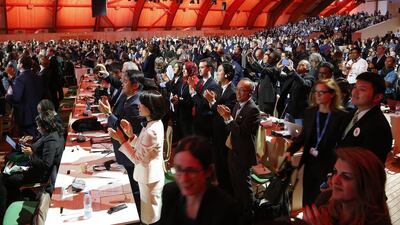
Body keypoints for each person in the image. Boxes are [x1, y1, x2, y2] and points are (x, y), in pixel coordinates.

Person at [285, 79, 348, 206]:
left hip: (328, 165)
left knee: (323, 201)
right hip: (309, 162)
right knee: (307, 198)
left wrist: (334, 171)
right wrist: (290, 151)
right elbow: (303, 137)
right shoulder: (310, 112)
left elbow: (342, 146)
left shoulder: (342, 116)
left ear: (332, 94)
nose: (317, 95)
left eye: (322, 92)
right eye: (316, 92)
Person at [109, 90, 166, 225]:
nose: (138, 106)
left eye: (142, 104)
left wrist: (121, 140)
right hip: (151, 175)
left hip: (149, 178)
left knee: (150, 217)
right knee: (150, 212)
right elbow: (143, 148)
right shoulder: (154, 123)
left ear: (150, 108)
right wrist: (131, 136)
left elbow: (137, 158)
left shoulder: (151, 130)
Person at [160, 136, 240, 225]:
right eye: (178, 169)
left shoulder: (225, 208)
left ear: (208, 171)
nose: (183, 179)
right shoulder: (170, 192)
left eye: (191, 171)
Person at [303, 147, 392, 225]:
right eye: (335, 172)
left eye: (346, 177)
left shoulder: (377, 221)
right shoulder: (325, 198)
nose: (335, 180)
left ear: (367, 186)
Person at [99, 69, 144, 211]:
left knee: (134, 184)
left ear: (135, 85)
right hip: (125, 149)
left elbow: (123, 131)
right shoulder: (129, 97)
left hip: (130, 152)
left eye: (125, 82)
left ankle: (138, 213)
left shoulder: (134, 105)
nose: (122, 84)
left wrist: (109, 113)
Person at [217, 78, 260, 225]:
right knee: (235, 183)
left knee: (244, 186)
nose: (238, 92)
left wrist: (228, 118)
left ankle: (249, 214)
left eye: (242, 90)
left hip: (243, 153)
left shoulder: (253, 110)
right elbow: (232, 129)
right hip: (233, 150)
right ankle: (240, 209)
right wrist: (227, 119)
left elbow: (242, 133)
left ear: (250, 93)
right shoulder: (237, 105)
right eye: (238, 89)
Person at [0, 112, 64, 212]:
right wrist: (28, 144)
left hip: (39, 174)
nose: (37, 128)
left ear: (46, 127)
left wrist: (30, 155)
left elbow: (46, 164)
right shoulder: (51, 134)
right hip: (35, 167)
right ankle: (11, 201)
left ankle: (5, 208)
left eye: (39, 126)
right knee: (6, 173)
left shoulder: (51, 141)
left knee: (4, 178)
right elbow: (40, 147)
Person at [339, 72, 392, 163]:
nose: (354, 92)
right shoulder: (351, 114)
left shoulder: (378, 127)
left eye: (362, 89)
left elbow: (370, 165)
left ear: (377, 97)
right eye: (355, 87)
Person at [204, 62, 237, 195]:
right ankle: (220, 186)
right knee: (217, 161)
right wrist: (210, 101)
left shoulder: (232, 92)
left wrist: (212, 101)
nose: (217, 73)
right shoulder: (218, 88)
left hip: (225, 132)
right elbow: (213, 109)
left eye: (219, 71)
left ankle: (227, 191)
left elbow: (224, 112)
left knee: (224, 163)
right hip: (216, 129)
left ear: (227, 74)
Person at [6, 55, 44, 136]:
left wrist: (8, 95)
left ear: (21, 65)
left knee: (26, 142)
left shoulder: (19, 79)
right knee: (36, 138)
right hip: (37, 112)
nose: (17, 64)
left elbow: (16, 98)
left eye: (18, 62)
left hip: (25, 116)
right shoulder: (38, 77)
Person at [189, 58, 221, 139]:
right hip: (196, 119)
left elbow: (204, 104)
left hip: (205, 122)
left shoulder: (213, 85)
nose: (199, 70)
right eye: (199, 67)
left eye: (202, 67)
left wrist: (193, 94)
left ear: (209, 69)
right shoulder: (200, 81)